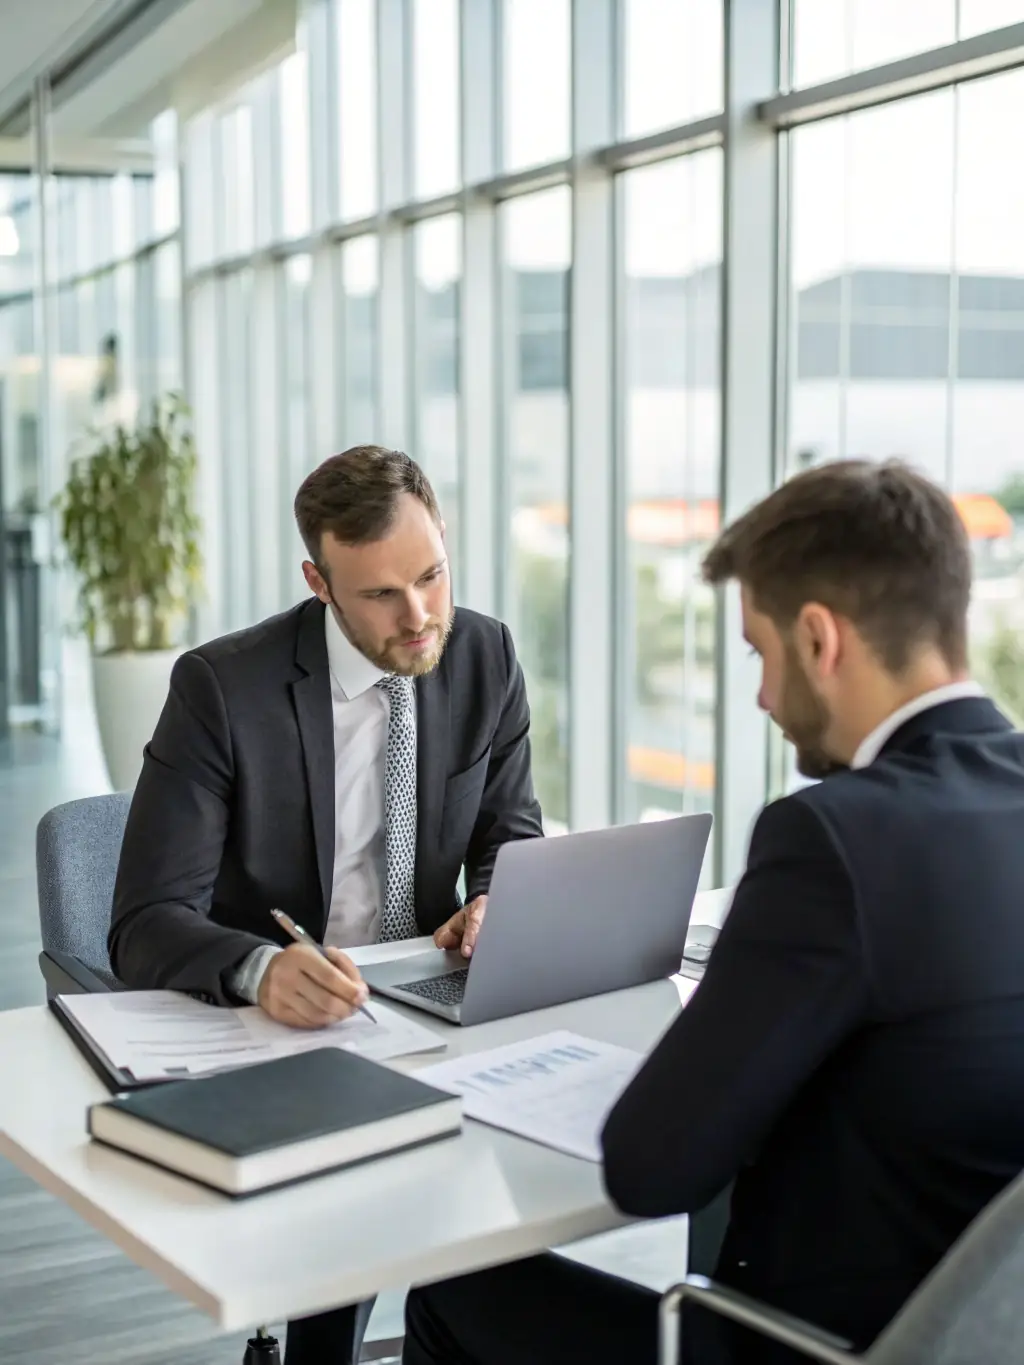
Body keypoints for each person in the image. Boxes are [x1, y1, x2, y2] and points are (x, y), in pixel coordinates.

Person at [403, 458, 1024, 1365]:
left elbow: (652, 1164)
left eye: (760, 654)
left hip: (804, 1348)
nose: (766, 697)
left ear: (820, 640)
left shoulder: (831, 840)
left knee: (454, 1294)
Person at [109, 444, 544, 1365]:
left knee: (510, 1236)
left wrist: (496, 899)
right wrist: (260, 969)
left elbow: (510, 832)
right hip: (287, 1030)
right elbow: (144, 920)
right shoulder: (222, 689)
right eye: (383, 594)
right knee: (354, 1239)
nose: (420, 614)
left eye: (431, 575)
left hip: (429, 1001)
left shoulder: (485, 654)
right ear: (320, 582)